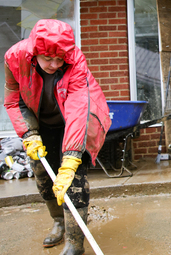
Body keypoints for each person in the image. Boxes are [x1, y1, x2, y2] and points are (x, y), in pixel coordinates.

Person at [4, 19, 111, 255]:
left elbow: (78, 108)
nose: (54, 64)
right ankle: (59, 222)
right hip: (41, 123)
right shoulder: (15, 57)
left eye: (59, 59)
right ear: (34, 52)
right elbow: (14, 100)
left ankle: (75, 242)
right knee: (43, 175)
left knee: (73, 179)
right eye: (47, 58)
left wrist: (71, 158)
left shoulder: (75, 61)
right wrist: (29, 134)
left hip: (74, 121)